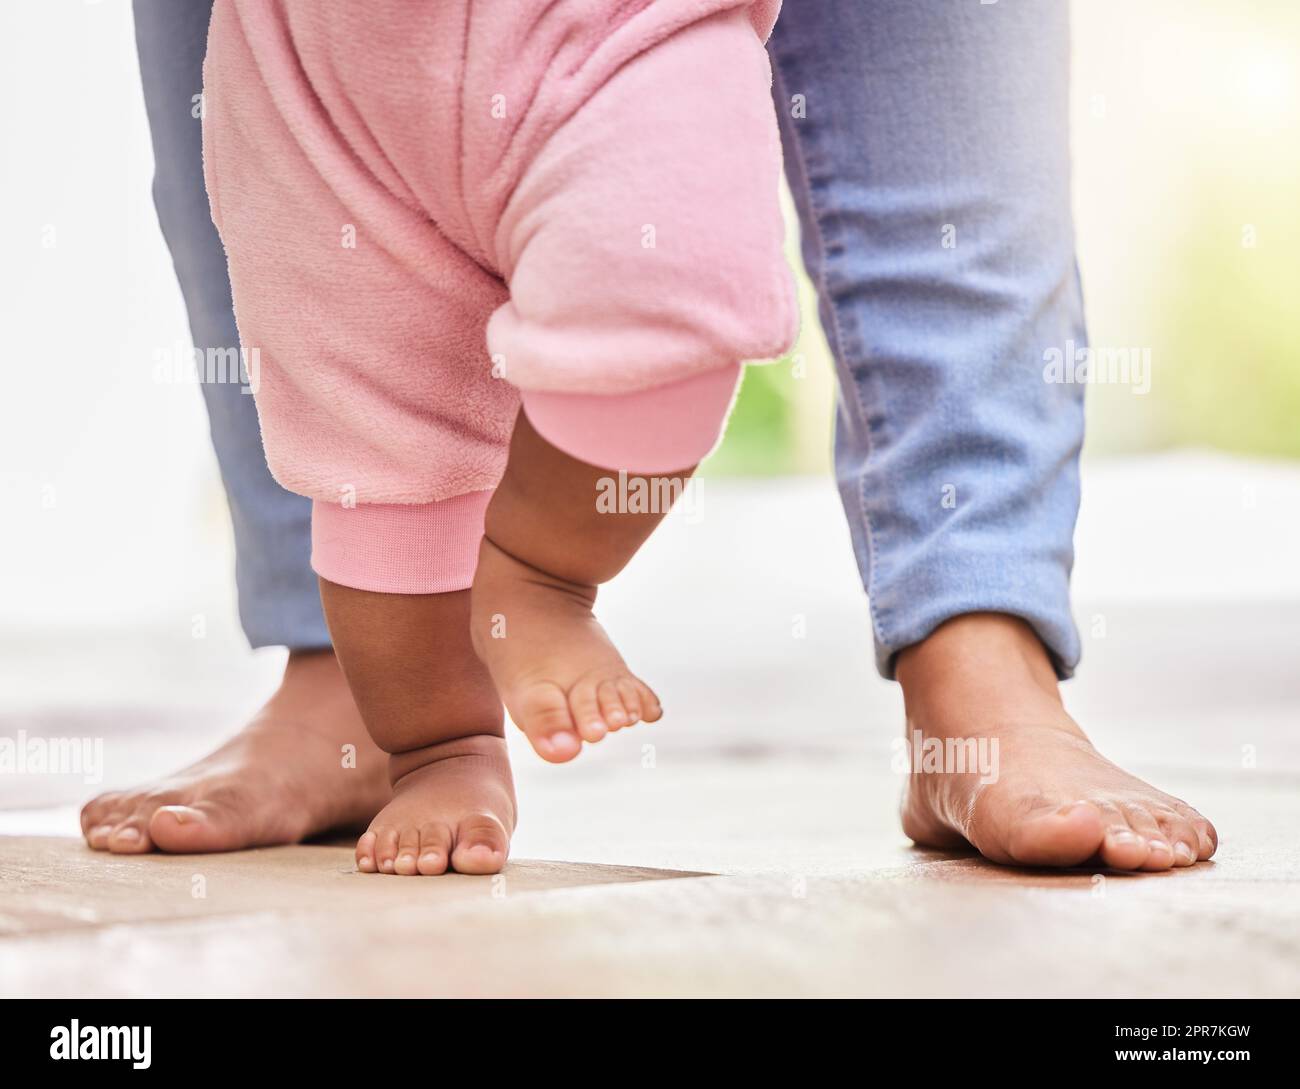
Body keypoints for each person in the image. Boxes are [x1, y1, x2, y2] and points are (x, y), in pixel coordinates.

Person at [81, 0, 1216, 874]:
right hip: (318, 62)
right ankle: (407, 723)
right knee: (358, 414)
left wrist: (540, 567)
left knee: (667, 297)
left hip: (615, 30)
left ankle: (970, 645)